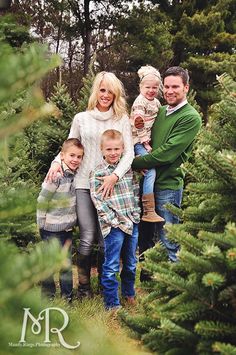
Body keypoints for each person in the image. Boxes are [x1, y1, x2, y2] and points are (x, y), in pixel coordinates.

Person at [45, 72, 134, 298]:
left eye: (110, 91)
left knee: (107, 239)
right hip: (84, 184)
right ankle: (84, 288)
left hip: (109, 185)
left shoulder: (121, 118)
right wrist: (56, 164)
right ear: (96, 91)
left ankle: (105, 286)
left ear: (116, 93)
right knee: (87, 237)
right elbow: (69, 147)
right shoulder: (81, 118)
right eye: (102, 90)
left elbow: (129, 152)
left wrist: (114, 176)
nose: (106, 95)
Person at [132, 66, 202, 266]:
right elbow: (141, 133)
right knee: (145, 236)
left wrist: (132, 163)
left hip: (168, 186)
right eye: (167, 87)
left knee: (169, 238)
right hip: (147, 183)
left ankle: (174, 286)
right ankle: (147, 279)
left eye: (175, 87)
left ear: (186, 88)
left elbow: (166, 154)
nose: (170, 91)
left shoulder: (190, 117)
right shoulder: (160, 111)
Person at [90, 130, 140, 310]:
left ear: (122, 149)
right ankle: (112, 303)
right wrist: (113, 221)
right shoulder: (98, 173)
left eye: (116, 149)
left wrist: (136, 214)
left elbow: (135, 191)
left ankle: (129, 294)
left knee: (131, 262)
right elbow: (98, 201)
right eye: (109, 149)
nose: (113, 153)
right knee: (111, 266)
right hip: (113, 226)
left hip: (132, 221)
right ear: (102, 150)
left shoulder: (126, 170)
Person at [37, 138, 84, 302]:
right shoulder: (55, 175)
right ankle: (47, 296)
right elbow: (42, 200)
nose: (75, 160)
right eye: (72, 155)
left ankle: (67, 298)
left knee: (66, 265)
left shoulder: (76, 175)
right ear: (62, 156)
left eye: (79, 157)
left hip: (66, 230)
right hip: (50, 229)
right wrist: (41, 225)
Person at [130, 65, 164, 223]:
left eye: (155, 87)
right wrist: (145, 142)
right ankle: (148, 210)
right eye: (148, 87)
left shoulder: (156, 102)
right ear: (141, 87)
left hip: (147, 141)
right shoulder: (140, 102)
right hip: (139, 141)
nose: (151, 90)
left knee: (149, 171)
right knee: (150, 171)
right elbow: (138, 123)